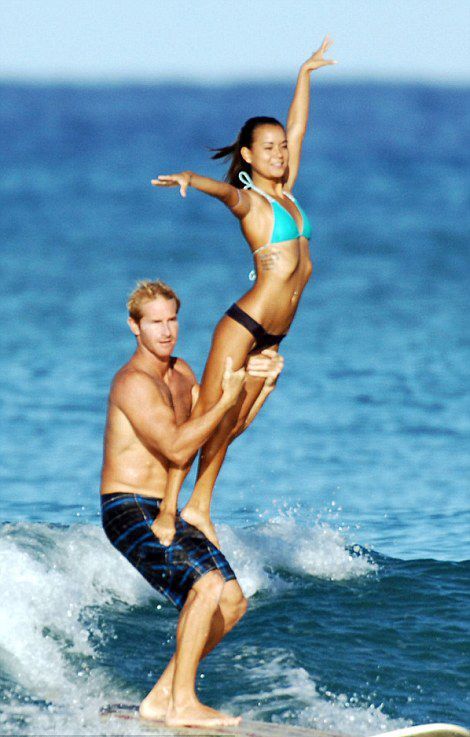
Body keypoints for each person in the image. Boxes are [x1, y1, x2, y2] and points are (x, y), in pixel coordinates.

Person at [151, 37, 336, 547]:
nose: (279, 153)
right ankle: (166, 509)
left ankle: (198, 508)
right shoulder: (252, 202)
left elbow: (297, 128)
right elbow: (225, 193)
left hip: (273, 335)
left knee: (230, 424)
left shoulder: (289, 192)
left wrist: (304, 74)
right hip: (244, 326)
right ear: (248, 156)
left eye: (281, 148)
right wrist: (192, 178)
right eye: (267, 148)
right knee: (209, 416)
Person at [100, 279, 283, 728]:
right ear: (134, 326)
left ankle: (162, 698)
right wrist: (225, 400)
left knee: (232, 602)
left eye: (172, 320)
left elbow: (221, 431)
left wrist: (259, 388)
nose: (166, 331)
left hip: (161, 503)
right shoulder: (132, 383)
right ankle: (184, 703)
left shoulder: (181, 373)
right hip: (127, 507)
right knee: (207, 584)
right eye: (155, 323)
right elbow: (178, 447)